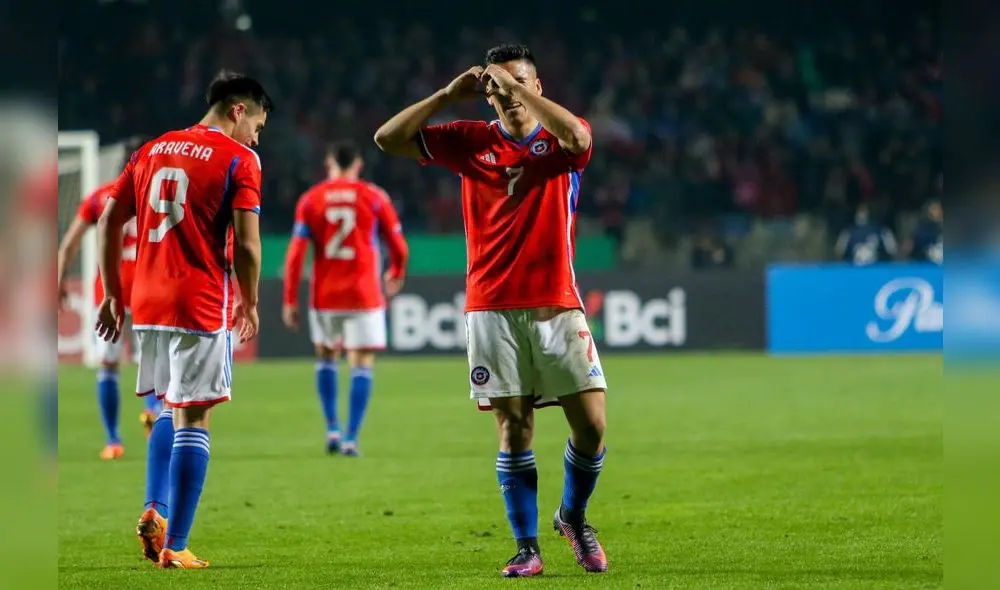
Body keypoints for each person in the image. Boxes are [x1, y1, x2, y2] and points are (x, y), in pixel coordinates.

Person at [374, 43, 609, 577]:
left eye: (518, 83)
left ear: (537, 86)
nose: (506, 95)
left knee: (591, 425)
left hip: (557, 304)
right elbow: (387, 140)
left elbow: (579, 137)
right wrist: (445, 95)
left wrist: (515, 86)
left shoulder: (562, 138)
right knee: (514, 427)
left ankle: (572, 516)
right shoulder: (469, 141)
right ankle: (527, 548)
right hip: (491, 306)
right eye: (496, 87)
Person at [95, 70, 272, 569]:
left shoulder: (151, 149)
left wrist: (113, 294)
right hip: (197, 299)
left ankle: (157, 507)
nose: (256, 137)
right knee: (195, 415)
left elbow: (110, 220)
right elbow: (250, 244)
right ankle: (177, 545)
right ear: (238, 109)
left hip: (146, 301)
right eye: (257, 125)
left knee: (169, 407)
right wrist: (250, 300)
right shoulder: (239, 158)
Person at [282, 140, 408, 456]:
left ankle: (332, 429)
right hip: (364, 294)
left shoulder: (311, 200)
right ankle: (352, 436)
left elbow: (296, 254)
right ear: (358, 164)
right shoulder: (375, 197)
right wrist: (396, 271)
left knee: (326, 357)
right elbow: (398, 244)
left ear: (329, 163)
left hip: (325, 295)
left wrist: (289, 299)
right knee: (361, 363)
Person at [57, 149, 163, 460]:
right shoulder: (158, 199)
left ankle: (113, 440)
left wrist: (61, 278)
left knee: (108, 365)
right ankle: (153, 413)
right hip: (149, 292)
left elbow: (70, 242)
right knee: (155, 365)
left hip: (109, 295)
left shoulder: (99, 199)